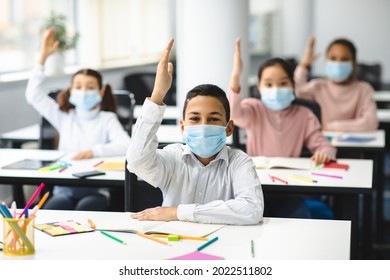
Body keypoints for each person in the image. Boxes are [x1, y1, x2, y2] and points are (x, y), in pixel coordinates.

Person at [126, 39, 264, 225]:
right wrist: (158, 95)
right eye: (195, 119)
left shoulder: (239, 162)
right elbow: (136, 162)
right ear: (183, 127)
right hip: (174, 242)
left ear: (229, 128)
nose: (203, 125)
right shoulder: (173, 158)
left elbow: (251, 209)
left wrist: (178, 212)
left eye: (214, 119)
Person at [228, 38, 336, 218]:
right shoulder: (254, 108)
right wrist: (236, 76)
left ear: (293, 86)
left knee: (298, 218)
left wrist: (324, 152)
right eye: (268, 84)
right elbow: (234, 114)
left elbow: (324, 145)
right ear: (259, 88)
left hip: (289, 188)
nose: (276, 89)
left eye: (283, 83)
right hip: (253, 187)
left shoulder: (304, 114)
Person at [25, 28, 131, 210]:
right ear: (71, 90)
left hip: (95, 190)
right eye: (78, 86)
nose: (83, 91)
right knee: (51, 212)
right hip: (63, 189)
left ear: (101, 91)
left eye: (90, 87)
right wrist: (42, 58)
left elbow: (126, 145)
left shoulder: (107, 118)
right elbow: (33, 94)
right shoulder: (64, 116)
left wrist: (93, 151)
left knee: (86, 209)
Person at [294, 35, 378, 131]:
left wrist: (329, 127)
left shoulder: (364, 89)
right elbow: (293, 94)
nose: (338, 63)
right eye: (333, 58)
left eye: (344, 59)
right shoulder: (317, 86)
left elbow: (370, 122)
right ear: (326, 60)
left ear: (354, 63)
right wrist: (303, 65)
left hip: (352, 144)